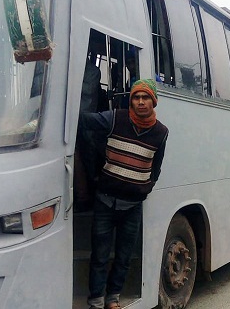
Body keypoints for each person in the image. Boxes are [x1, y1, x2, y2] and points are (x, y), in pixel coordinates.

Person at [79, 79, 169, 309]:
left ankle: (113, 298)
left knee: (123, 256)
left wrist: (147, 186)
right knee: (99, 255)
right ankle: (96, 300)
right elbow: (83, 121)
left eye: (145, 98)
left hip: (132, 206)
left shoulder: (161, 133)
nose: (140, 102)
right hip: (105, 202)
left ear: (153, 102)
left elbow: (156, 166)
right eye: (136, 97)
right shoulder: (115, 118)